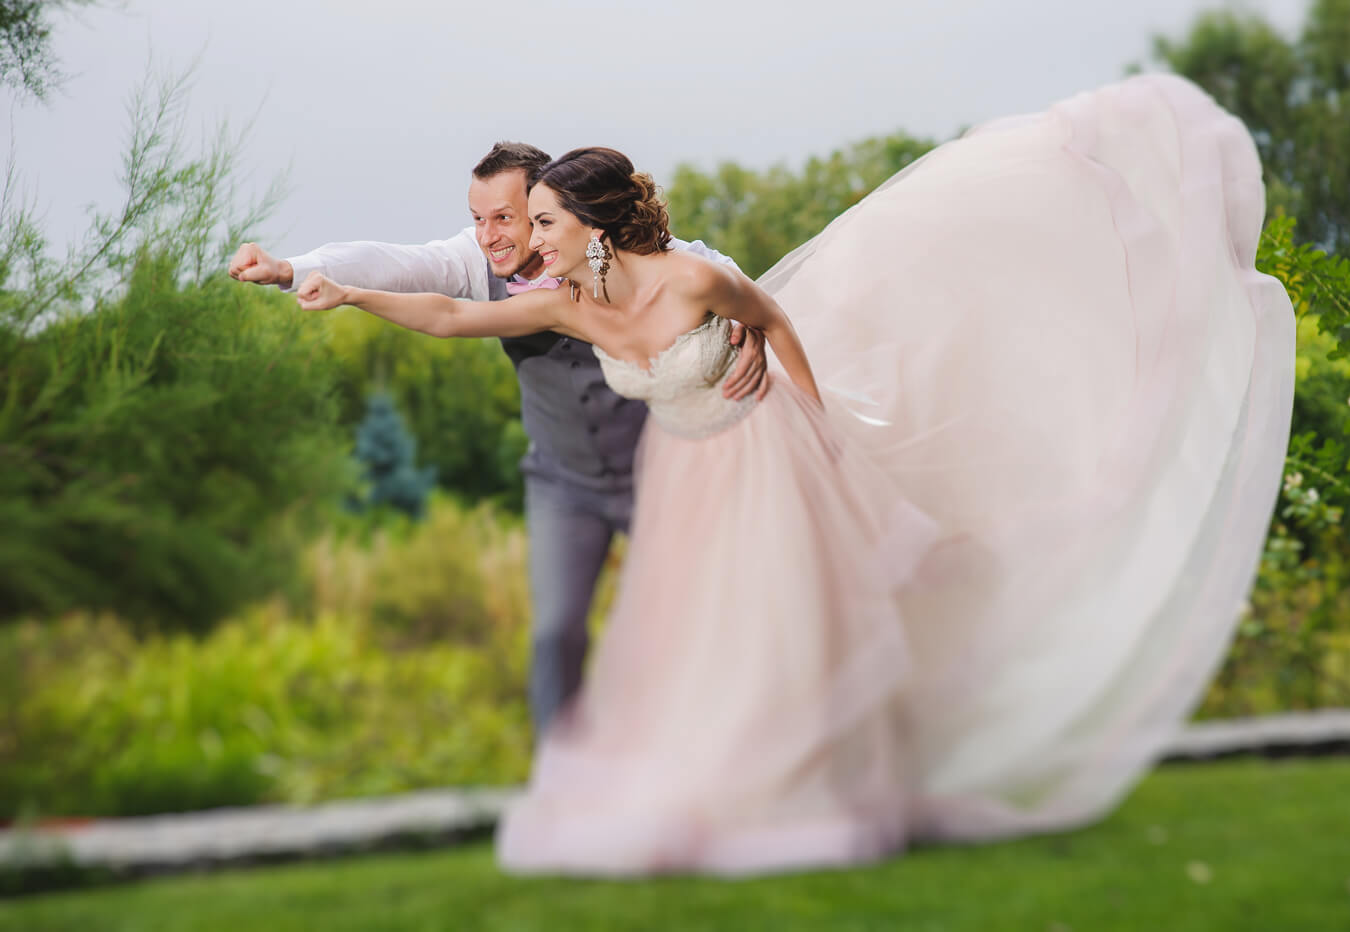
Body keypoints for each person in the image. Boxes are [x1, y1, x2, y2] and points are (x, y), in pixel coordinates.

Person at [294, 74, 1295, 875]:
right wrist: (347, 291)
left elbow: (771, 319)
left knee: (780, 627)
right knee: (697, 647)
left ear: (594, 225)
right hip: (685, 476)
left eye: (546, 221)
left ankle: (818, 788)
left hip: (761, 454)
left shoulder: (691, 275)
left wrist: (812, 412)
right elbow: (455, 314)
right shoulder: (564, 302)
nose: (535, 241)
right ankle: (717, 787)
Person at [228, 143, 767, 735]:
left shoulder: (620, 251)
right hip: (565, 482)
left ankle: (712, 747)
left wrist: (747, 320)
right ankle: (562, 777)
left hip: (660, 475)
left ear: (544, 207)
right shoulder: (480, 259)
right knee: (555, 631)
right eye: (477, 219)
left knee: (692, 620)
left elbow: (709, 265)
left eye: (505, 218)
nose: (489, 236)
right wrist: (291, 270)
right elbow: (398, 264)